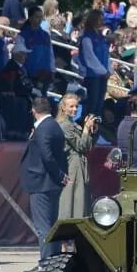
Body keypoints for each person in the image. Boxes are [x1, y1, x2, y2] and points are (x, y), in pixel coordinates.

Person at [20, 97, 67, 272]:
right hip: (50, 183)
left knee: (44, 226)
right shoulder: (53, 125)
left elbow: (47, 156)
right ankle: (52, 262)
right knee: (50, 224)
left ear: (34, 110)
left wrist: (59, 175)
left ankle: (46, 263)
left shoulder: (44, 128)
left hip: (42, 182)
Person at [56, 92, 96, 220]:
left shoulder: (71, 123)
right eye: (71, 106)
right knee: (73, 201)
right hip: (73, 165)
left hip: (79, 164)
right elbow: (81, 147)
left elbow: (88, 147)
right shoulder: (65, 125)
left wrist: (89, 131)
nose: (75, 109)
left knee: (80, 200)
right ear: (63, 107)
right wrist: (85, 130)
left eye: (76, 106)